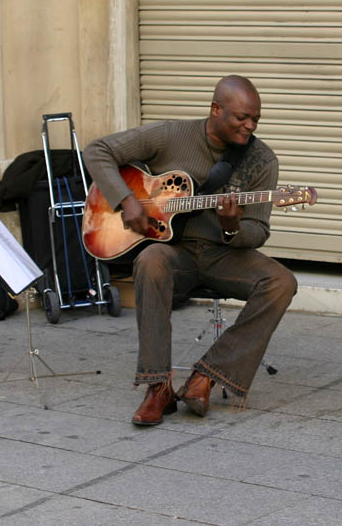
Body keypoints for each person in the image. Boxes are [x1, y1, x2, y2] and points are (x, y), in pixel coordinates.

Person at [83, 74, 297, 425]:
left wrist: (231, 227)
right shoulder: (171, 135)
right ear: (215, 109)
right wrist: (127, 201)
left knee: (281, 282)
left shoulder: (261, 161)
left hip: (223, 254)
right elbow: (98, 151)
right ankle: (157, 387)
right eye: (241, 117)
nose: (250, 125)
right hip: (174, 251)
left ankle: (207, 376)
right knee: (150, 260)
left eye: (255, 119)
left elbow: (258, 230)